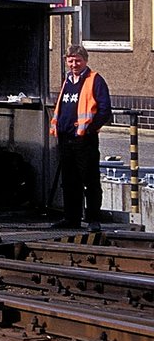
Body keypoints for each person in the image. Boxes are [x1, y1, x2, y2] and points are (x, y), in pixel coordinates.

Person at [49, 44, 112, 231]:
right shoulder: (67, 80)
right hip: (66, 138)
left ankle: (93, 219)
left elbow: (104, 110)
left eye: (78, 60)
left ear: (85, 60)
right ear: (66, 61)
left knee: (90, 180)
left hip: (85, 140)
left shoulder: (95, 80)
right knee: (69, 181)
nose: (74, 64)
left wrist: (91, 129)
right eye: (70, 60)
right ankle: (71, 218)